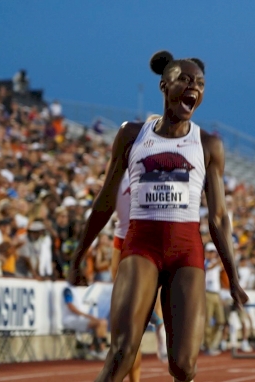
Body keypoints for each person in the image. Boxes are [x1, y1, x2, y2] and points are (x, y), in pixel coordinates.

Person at [69, 50, 248, 382]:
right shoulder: (131, 135)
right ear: (164, 86)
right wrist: (79, 255)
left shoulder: (208, 144)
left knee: (183, 366)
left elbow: (219, 217)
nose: (194, 86)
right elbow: (105, 200)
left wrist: (233, 276)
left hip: (186, 252)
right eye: (185, 79)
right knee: (122, 352)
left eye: (201, 83)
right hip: (141, 247)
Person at [108, 114, 169, 382]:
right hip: (123, 242)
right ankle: (156, 321)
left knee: (130, 326)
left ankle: (157, 320)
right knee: (125, 328)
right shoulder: (122, 169)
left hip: (146, 244)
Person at [61, 281, 109, 360]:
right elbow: (71, 307)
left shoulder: (75, 290)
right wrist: (88, 316)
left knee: (103, 322)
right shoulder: (68, 289)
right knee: (100, 323)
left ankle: (95, 349)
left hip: (79, 319)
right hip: (70, 320)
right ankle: (99, 349)